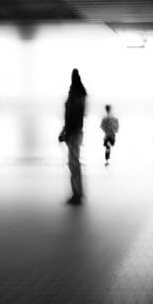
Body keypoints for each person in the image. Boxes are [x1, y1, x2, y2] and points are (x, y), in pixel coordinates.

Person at [58, 69, 86, 205]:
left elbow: (70, 118)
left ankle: (76, 194)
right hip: (78, 132)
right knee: (75, 163)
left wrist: (64, 132)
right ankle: (79, 192)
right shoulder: (81, 95)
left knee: (73, 163)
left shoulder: (74, 96)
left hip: (72, 133)